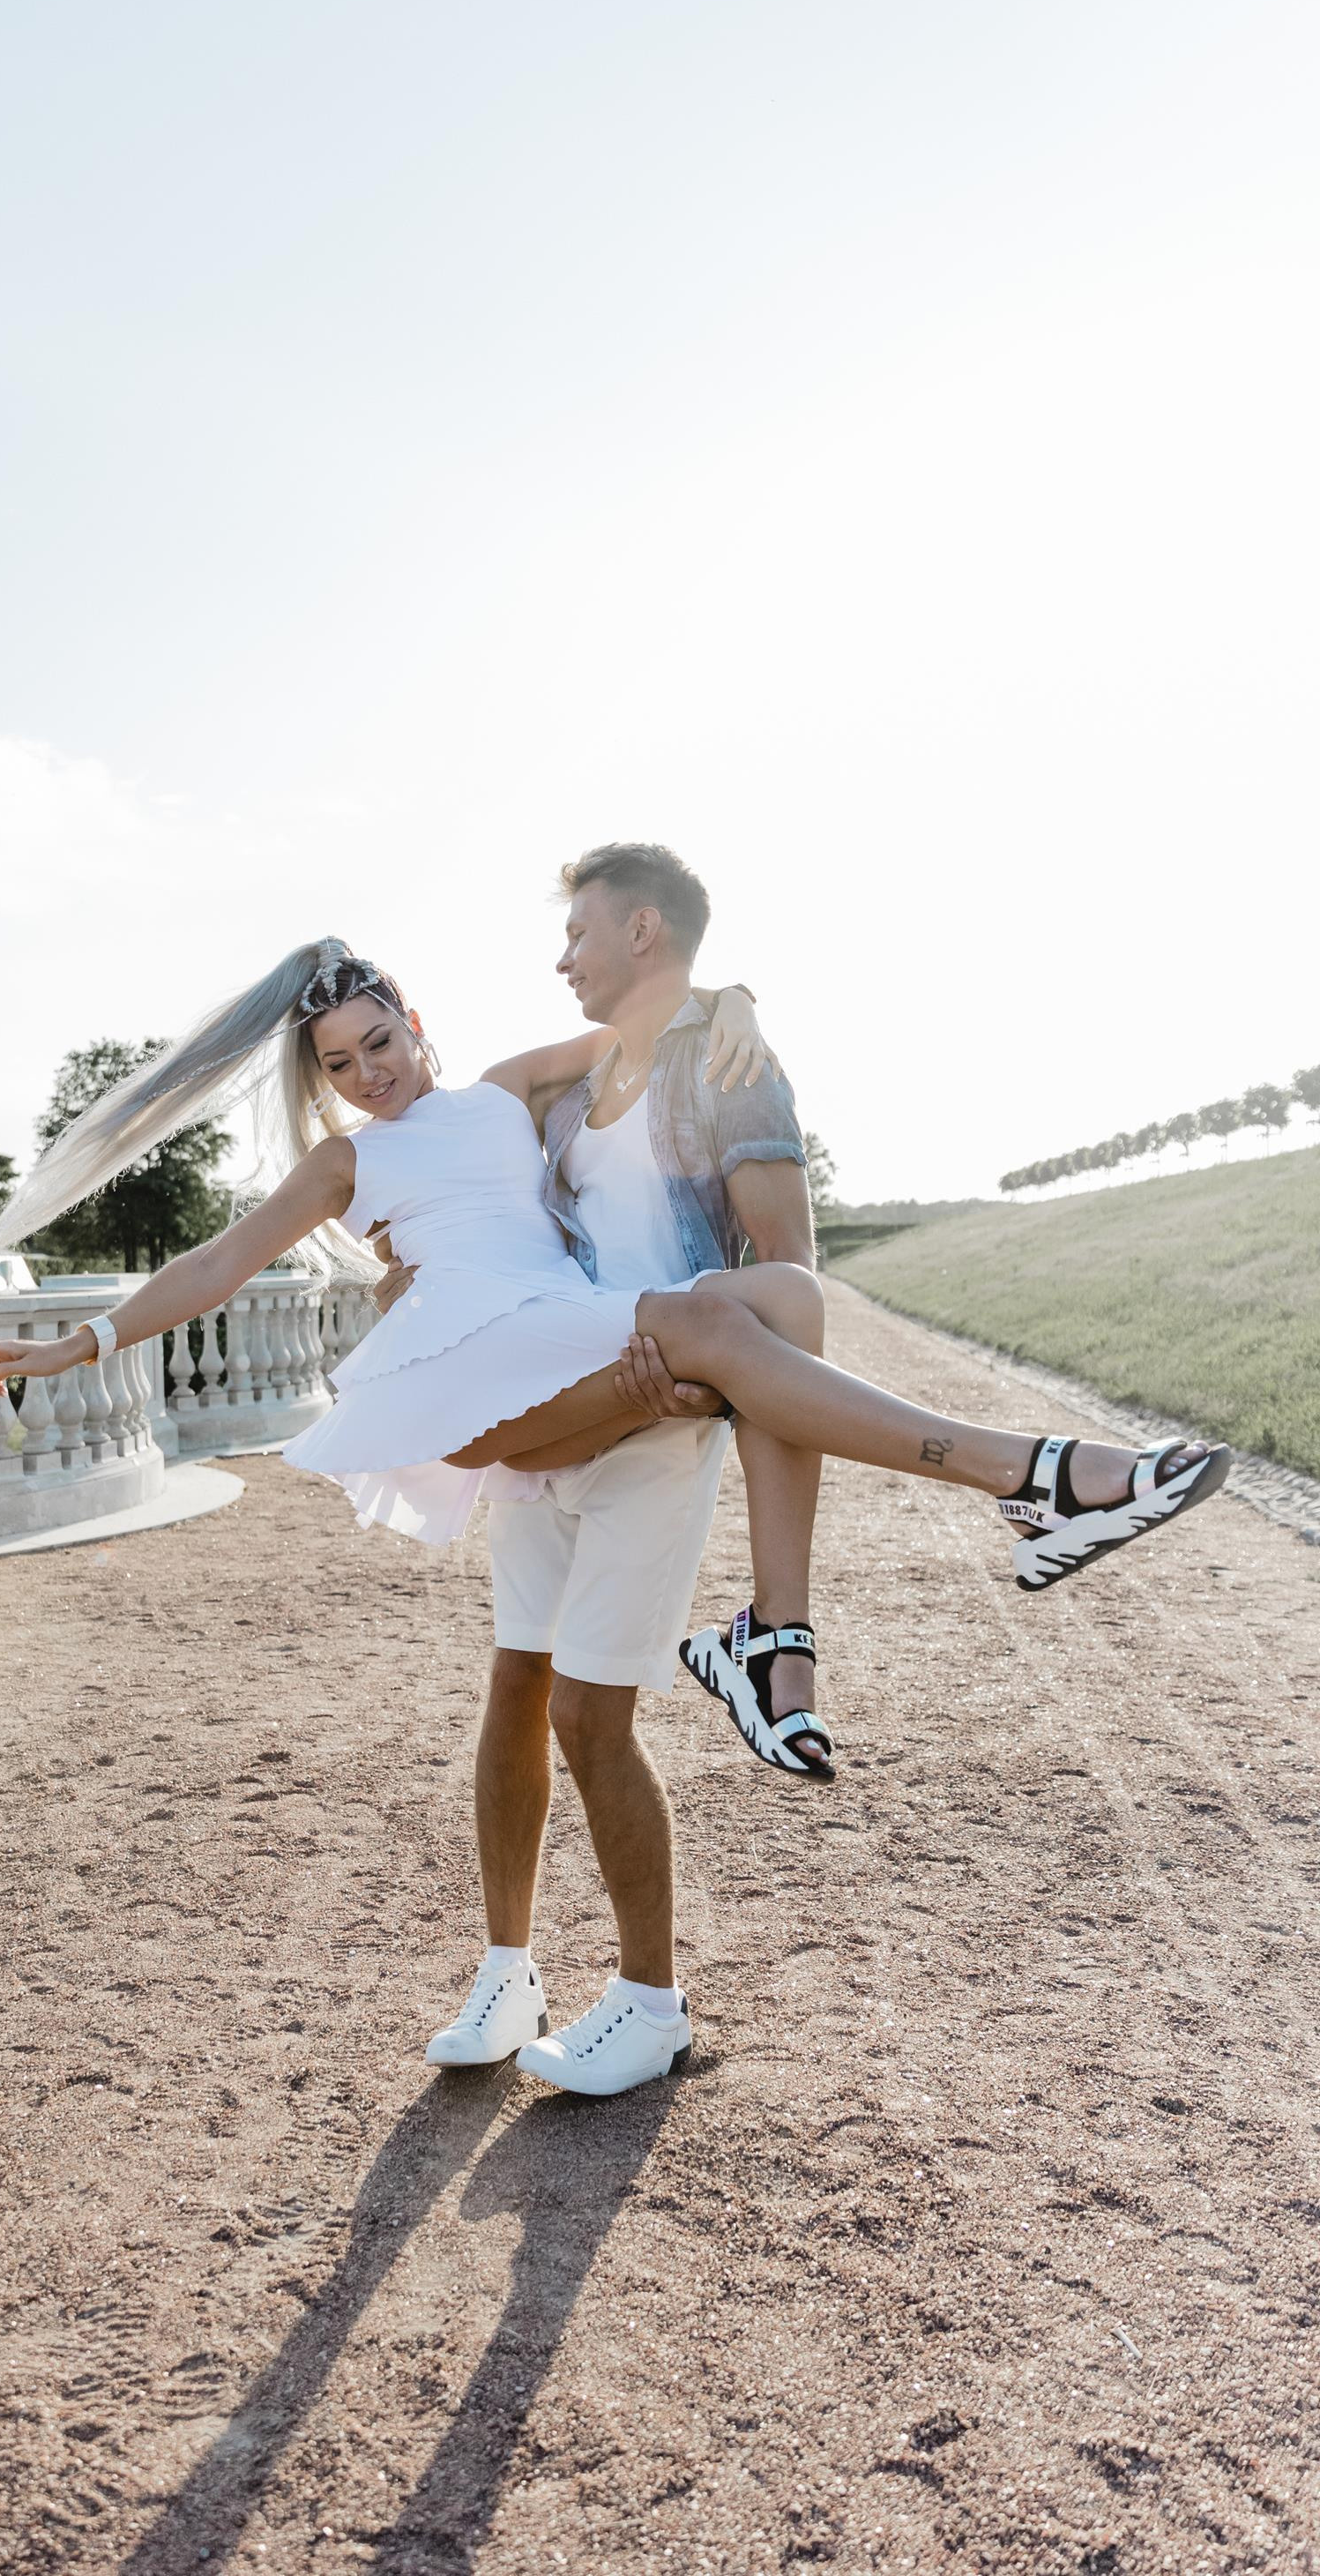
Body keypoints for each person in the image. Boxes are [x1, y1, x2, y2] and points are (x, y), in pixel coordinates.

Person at [0, 936, 1231, 2094]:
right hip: (476, 1345)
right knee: (535, 1658)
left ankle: (1017, 1486)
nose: (371, 1075)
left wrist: (729, 999)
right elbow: (220, 1262)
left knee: (744, 1314)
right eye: (341, 1065)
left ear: (412, 1013)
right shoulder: (352, 1160)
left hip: (551, 1341)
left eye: (380, 1043)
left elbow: (646, 1031)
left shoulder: (508, 1089)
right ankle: (510, 1968)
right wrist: (92, 1337)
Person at [396, 841, 826, 2101]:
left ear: (643, 929)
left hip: (663, 1422)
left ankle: (650, 2004)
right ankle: (508, 1970)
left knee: (593, 1716)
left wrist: (724, 1012)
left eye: (579, 932)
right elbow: (487, 1133)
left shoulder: (735, 1071)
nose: (560, 955)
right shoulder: (579, 1091)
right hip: (559, 1415)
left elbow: (791, 1282)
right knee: (515, 1692)